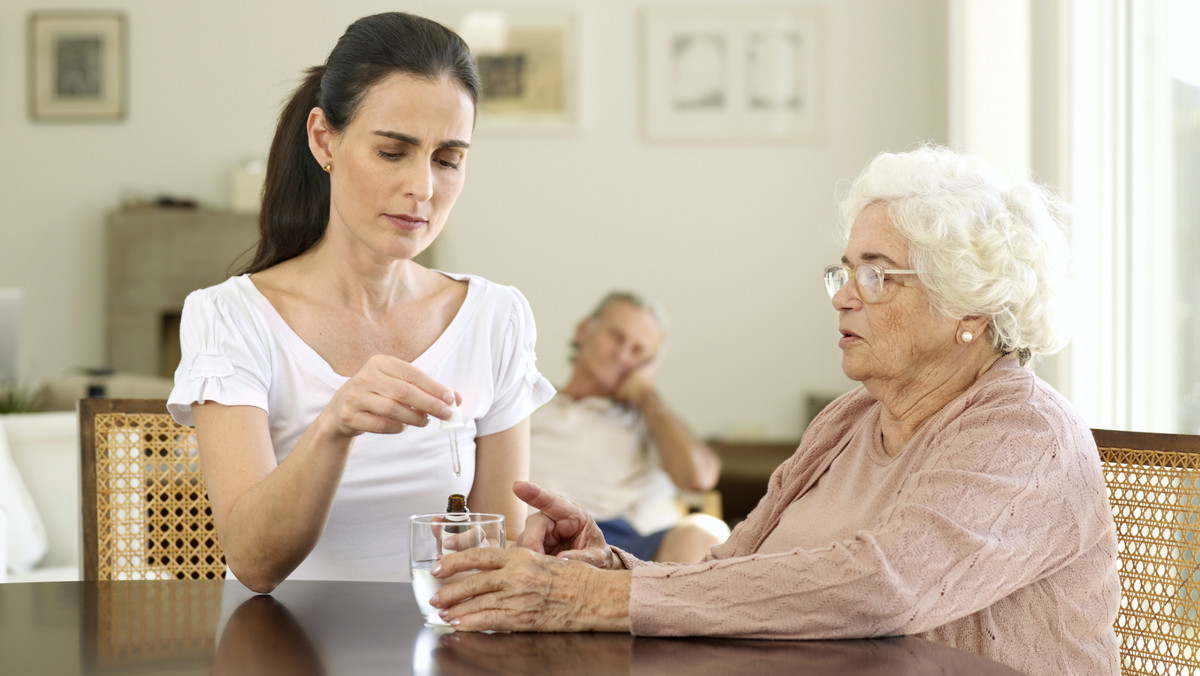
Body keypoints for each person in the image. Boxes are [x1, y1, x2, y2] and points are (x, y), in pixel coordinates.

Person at [431, 146, 1121, 676]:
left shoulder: (1025, 434)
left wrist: (603, 604)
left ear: (968, 305)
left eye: (876, 274)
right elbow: (732, 567)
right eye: (844, 270)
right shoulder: (850, 421)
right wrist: (606, 570)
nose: (843, 296)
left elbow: (885, 584)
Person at [166, 12, 554, 593]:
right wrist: (335, 425)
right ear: (325, 139)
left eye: (448, 159)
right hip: (277, 645)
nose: (423, 188)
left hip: (441, 644)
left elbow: (492, 549)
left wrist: (545, 554)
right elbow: (253, 561)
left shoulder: (495, 317)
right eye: (394, 152)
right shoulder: (230, 317)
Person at [529, 292, 729, 563]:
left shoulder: (651, 420)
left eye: (638, 351)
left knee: (706, 531)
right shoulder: (531, 405)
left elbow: (700, 478)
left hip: (635, 551)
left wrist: (646, 395)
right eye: (616, 337)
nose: (623, 355)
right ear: (583, 330)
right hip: (547, 542)